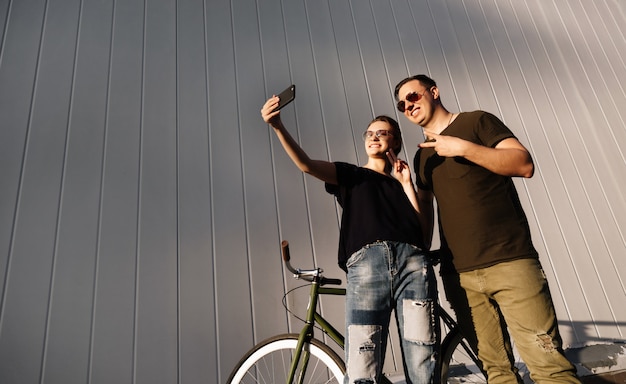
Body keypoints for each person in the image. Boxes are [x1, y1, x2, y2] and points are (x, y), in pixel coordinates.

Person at [394, 74, 581, 383]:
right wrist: (407, 189)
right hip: (460, 278)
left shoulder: (477, 122)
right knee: (497, 374)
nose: (408, 106)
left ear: (434, 92)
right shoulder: (421, 154)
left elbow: (523, 163)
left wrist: (463, 148)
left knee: (551, 370)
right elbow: (426, 217)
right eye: (402, 104)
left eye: (412, 97)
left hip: (510, 262)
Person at [261, 95, 438, 384]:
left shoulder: (403, 184)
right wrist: (278, 126)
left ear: (396, 142)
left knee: (422, 360)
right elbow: (306, 164)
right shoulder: (351, 175)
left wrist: (407, 184)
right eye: (370, 133)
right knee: (363, 365)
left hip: (413, 264)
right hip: (368, 265)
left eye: (383, 133)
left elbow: (423, 236)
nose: (374, 137)